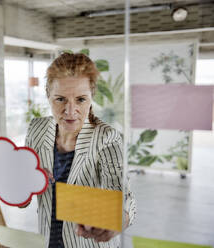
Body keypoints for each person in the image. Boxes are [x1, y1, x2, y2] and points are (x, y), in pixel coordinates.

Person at [23, 53, 136, 247]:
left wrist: (115, 220)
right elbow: (22, 199)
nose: (70, 110)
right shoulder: (37, 130)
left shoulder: (107, 138)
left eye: (81, 100)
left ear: (91, 97)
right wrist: (28, 182)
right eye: (60, 99)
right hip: (48, 241)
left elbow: (122, 196)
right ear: (48, 96)